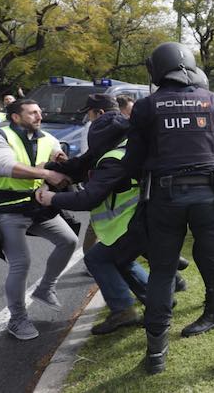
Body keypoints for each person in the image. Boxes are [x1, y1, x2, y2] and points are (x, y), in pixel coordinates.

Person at [122, 42, 214, 375]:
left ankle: (155, 356)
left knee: (163, 272)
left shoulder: (145, 107)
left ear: (157, 71)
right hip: (211, 198)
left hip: (163, 200)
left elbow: (133, 162)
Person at [35, 110, 150, 335]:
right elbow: (81, 165)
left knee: (97, 259)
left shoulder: (114, 160)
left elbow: (89, 198)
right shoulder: (127, 146)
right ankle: (157, 298)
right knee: (118, 260)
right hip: (140, 220)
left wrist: (52, 198)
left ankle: (125, 310)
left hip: (134, 223)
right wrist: (48, 170)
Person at [0, 99, 77, 340]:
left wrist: (61, 160)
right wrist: (46, 173)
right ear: (15, 117)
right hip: (7, 208)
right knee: (21, 263)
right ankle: (17, 319)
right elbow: (4, 166)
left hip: (36, 205)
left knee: (69, 241)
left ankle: (45, 289)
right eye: (33, 113)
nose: (39, 116)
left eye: (40, 112)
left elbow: (57, 154)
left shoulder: (46, 137)